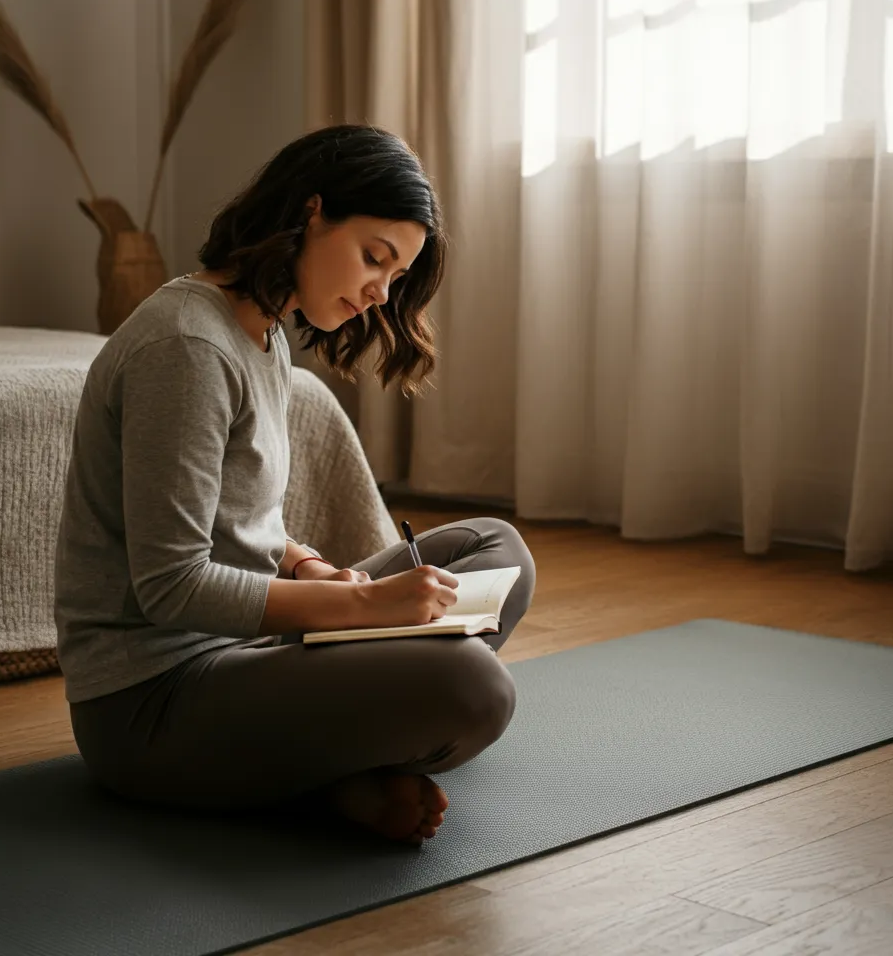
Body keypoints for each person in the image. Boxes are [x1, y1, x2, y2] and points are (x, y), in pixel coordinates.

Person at [55, 124, 536, 845]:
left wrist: (308, 565)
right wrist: (366, 604)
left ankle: (309, 765)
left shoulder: (265, 332)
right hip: (151, 701)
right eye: (375, 258)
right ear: (311, 213)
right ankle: (323, 780)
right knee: (475, 689)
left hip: (246, 654)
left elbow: (242, 518)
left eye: (396, 277)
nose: (380, 293)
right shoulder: (186, 347)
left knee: (495, 549)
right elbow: (171, 586)